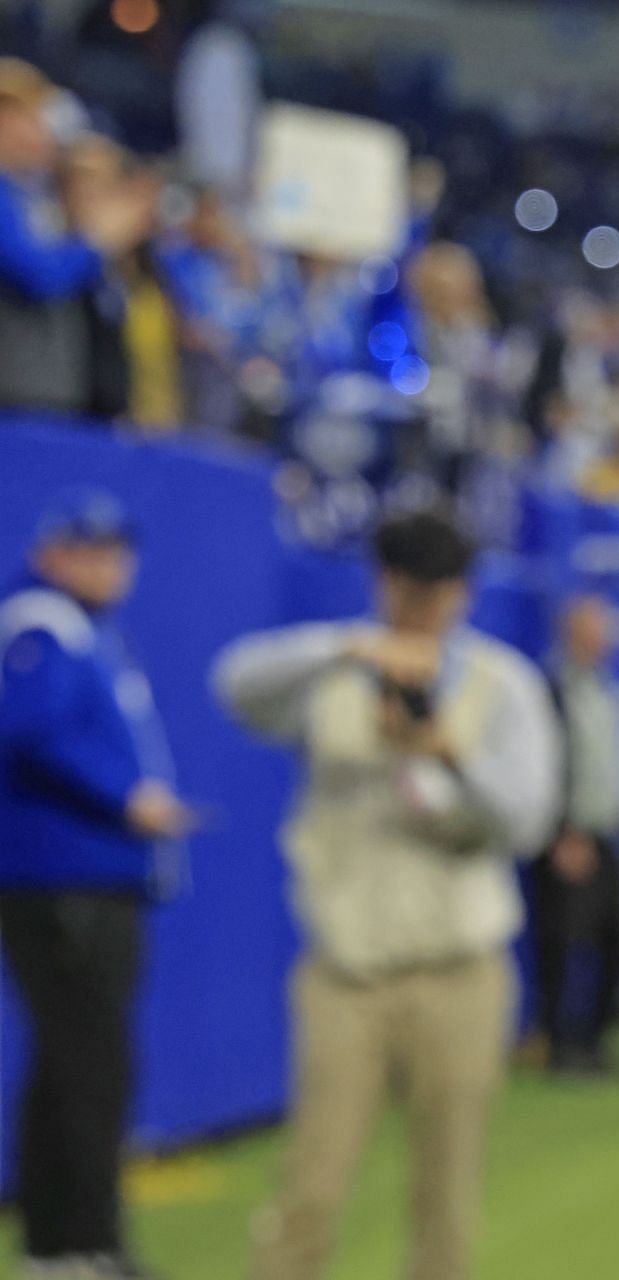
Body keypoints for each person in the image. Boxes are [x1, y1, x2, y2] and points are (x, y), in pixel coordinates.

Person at [213, 509, 559, 1280]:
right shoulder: (335, 669)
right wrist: (345, 646)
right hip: (346, 973)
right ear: (384, 586)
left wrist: (454, 758)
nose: (425, 612)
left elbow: (530, 822)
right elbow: (233, 685)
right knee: (310, 1188)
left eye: (440, 595)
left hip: (460, 972)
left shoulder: (504, 683)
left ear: (462, 594)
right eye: (410, 594)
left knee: (445, 1198)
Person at [0, 488, 189, 1280]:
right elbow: (27, 730)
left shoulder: (80, 629)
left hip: (87, 880)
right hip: (66, 882)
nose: (111, 564)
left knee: (76, 1063)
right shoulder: (43, 625)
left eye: (118, 549)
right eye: (92, 548)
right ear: (53, 552)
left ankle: (62, 1244)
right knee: (89, 1067)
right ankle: (80, 1247)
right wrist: (123, 798)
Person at [0, 58, 153, 416]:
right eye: (34, 117)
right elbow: (40, 275)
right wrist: (99, 240)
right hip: (16, 396)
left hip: (48, 395)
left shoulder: (28, 195)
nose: (43, 130)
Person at [529, 593, 619, 1074]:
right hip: (567, 834)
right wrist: (559, 832)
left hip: (606, 829)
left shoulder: (601, 687)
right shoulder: (551, 689)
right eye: (596, 630)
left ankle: (595, 1039)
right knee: (561, 942)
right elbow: (542, 768)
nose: (605, 640)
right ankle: (558, 1046)